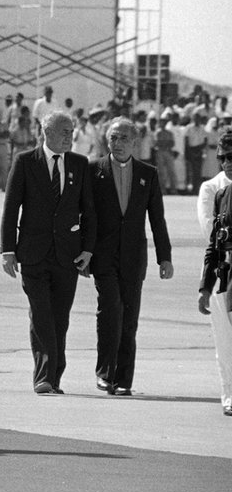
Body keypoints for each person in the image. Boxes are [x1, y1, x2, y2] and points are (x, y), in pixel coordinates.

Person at [0, 111, 96, 395]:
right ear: (47, 132)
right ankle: (43, 377)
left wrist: (88, 249)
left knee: (60, 319)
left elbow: (89, 210)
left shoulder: (79, 164)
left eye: (72, 131)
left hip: (68, 255)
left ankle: (54, 376)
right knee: (41, 316)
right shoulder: (25, 162)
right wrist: (8, 250)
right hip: (32, 253)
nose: (70, 136)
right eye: (64, 131)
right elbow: (10, 208)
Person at [89, 118, 173, 395]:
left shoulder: (147, 173)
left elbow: (157, 219)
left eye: (124, 138)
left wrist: (165, 257)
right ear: (107, 140)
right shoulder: (93, 170)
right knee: (109, 311)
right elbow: (84, 215)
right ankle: (105, 373)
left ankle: (124, 379)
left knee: (129, 317)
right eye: (114, 137)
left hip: (134, 257)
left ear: (135, 142)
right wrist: (83, 251)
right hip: (103, 255)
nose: (119, 143)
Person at [197, 130, 232, 416]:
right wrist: (205, 286)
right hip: (225, 271)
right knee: (224, 340)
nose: (226, 162)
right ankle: (229, 395)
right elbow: (212, 236)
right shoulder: (213, 190)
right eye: (221, 157)